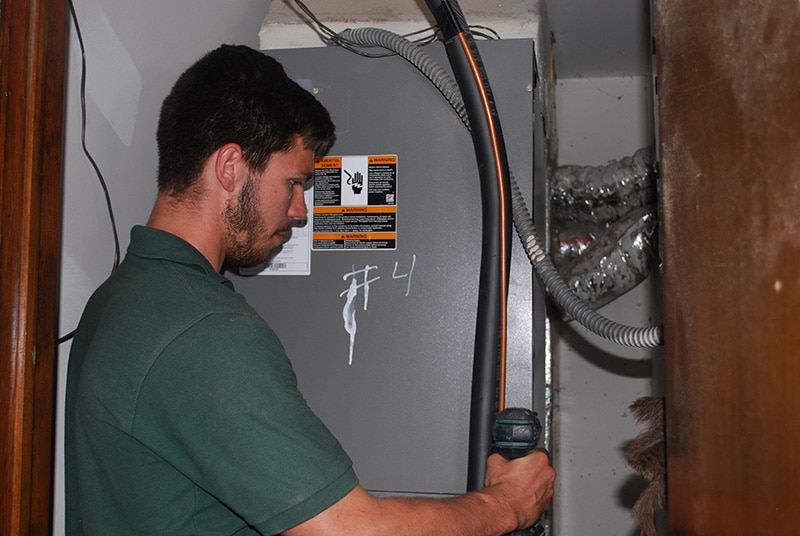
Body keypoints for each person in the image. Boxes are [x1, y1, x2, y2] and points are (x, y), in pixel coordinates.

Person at [64, 44, 555, 536]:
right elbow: (350, 531)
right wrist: (506, 505)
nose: (300, 211)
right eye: (294, 182)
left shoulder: (115, 303)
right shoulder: (203, 329)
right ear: (230, 167)